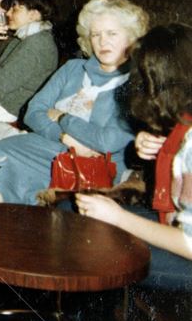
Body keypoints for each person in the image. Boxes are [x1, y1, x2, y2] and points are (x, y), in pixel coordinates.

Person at [0, 0, 149, 206]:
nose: (102, 41)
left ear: (131, 37)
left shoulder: (135, 83)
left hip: (94, 165)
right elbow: (33, 112)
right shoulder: (73, 68)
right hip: (49, 146)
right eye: (95, 34)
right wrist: (64, 137)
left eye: (112, 34)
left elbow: (107, 141)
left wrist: (62, 116)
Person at [77, 23, 192, 291]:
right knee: (74, 219)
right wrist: (159, 147)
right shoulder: (184, 122)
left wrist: (118, 217)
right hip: (174, 225)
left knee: (89, 249)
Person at [0, 0, 59, 118]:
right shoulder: (23, 37)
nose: (8, 13)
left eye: (15, 9)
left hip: (4, 113)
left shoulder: (37, 44)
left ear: (33, 15)